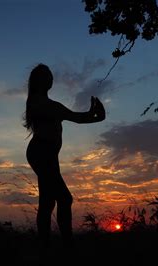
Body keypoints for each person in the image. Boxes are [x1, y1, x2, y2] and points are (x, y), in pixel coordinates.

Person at [23, 64, 105, 247]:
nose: (51, 79)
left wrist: (95, 115)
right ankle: (67, 244)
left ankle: (47, 246)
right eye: (47, 76)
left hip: (48, 155)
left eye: (51, 76)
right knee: (64, 198)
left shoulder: (43, 102)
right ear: (39, 81)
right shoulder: (38, 102)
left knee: (48, 201)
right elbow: (73, 116)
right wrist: (93, 114)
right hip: (42, 153)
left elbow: (75, 116)